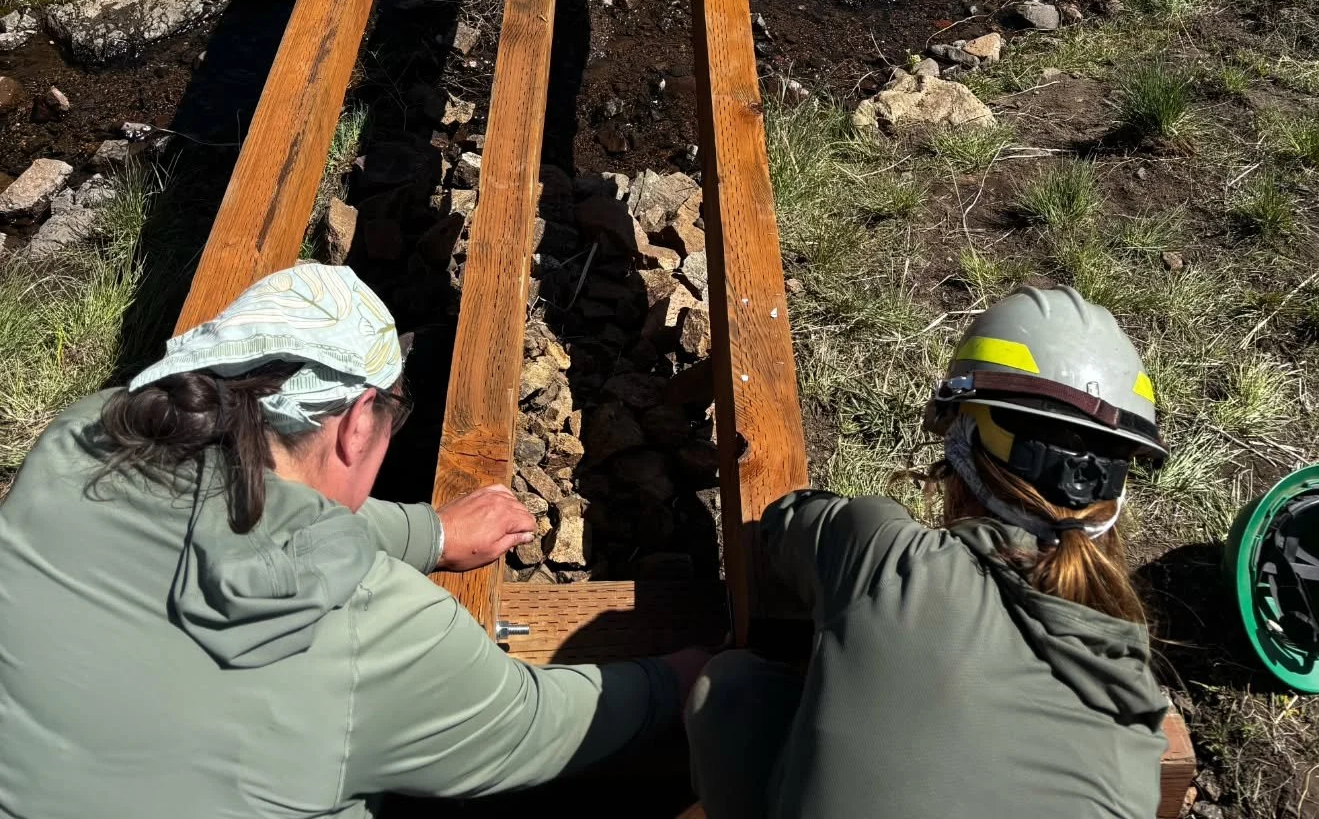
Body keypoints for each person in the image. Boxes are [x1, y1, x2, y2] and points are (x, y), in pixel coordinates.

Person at [0, 263, 705, 818]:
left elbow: (251, 517)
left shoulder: (86, 441)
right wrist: (675, 680)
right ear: (358, 422)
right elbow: (531, 724)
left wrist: (427, 532)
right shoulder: (376, 630)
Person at [686, 285, 1175, 819]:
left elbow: (783, 523)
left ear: (960, 442)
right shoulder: (1136, 721)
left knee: (734, 689)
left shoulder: (889, 561)